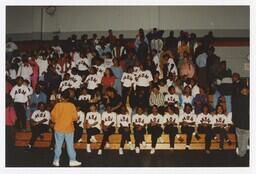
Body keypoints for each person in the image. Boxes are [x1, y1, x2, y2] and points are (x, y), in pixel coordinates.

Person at [51, 90, 81, 167]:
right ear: (68, 98)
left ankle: (56, 160)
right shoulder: (71, 105)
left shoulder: (57, 105)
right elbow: (75, 118)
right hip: (69, 129)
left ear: (61, 97)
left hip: (59, 128)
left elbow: (53, 117)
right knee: (70, 145)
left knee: (58, 145)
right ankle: (72, 160)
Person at [232, 85, 249, 157]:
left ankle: (241, 152)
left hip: (238, 123)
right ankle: (242, 153)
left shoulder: (236, 99)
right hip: (247, 123)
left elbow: (234, 111)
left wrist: (234, 121)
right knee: (244, 139)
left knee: (239, 139)